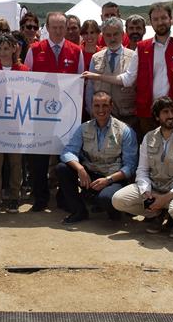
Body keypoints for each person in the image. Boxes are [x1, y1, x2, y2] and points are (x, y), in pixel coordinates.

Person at [84, 3, 173, 139]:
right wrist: (93, 112)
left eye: (163, 18)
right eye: (155, 19)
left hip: (172, 112)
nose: (160, 22)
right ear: (151, 22)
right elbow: (127, 79)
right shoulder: (142, 48)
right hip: (147, 114)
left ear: (171, 18)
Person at [111, 97, 173, 238]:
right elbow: (142, 170)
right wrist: (147, 192)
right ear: (156, 116)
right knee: (118, 200)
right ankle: (157, 214)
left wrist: (166, 197)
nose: (171, 115)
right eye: (165, 112)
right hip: (155, 189)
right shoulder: (149, 137)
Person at [24, 12, 84, 211]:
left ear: (66, 28)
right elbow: (26, 80)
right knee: (38, 159)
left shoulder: (76, 51)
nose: (58, 31)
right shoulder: (34, 50)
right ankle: (40, 197)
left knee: (64, 157)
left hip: (66, 115)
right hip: (39, 114)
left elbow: (80, 84)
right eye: (54, 27)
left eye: (61, 27)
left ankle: (63, 197)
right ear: (47, 28)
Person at [56, 91, 137, 225]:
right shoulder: (84, 128)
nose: (100, 110)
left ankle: (110, 208)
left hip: (113, 178)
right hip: (90, 176)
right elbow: (67, 152)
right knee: (62, 168)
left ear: (111, 106)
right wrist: (80, 169)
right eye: (97, 106)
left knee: (105, 199)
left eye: (104, 105)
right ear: (92, 107)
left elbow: (130, 166)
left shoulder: (125, 131)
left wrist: (108, 180)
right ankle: (79, 211)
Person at [0, 35, 28, 213]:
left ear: (14, 49)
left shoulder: (24, 70)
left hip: (17, 125)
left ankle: (14, 197)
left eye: (7, 48)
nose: (3, 52)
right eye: (0, 48)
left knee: (16, 163)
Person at [89, 18, 137, 132]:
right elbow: (90, 89)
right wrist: (91, 111)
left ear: (122, 34)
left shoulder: (134, 56)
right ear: (103, 36)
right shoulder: (95, 58)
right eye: (108, 35)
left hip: (127, 117)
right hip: (101, 118)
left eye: (115, 34)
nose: (112, 38)